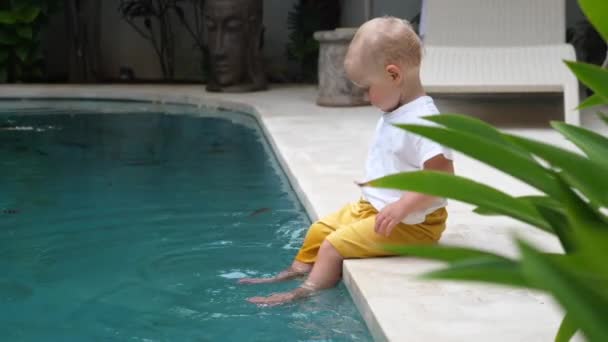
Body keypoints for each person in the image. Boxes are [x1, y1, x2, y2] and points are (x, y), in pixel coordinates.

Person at [240, 16, 454, 306]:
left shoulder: (426, 122)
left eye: (367, 88)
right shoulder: (398, 109)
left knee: (332, 247)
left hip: (415, 224)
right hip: (375, 210)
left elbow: (443, 181)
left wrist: (402, 206)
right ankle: (292, 272)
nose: (366, 97)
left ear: (394, 75)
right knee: (319, 231)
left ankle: (303, 292)